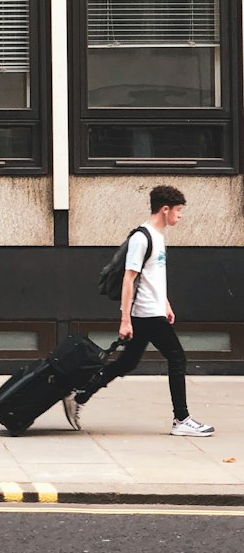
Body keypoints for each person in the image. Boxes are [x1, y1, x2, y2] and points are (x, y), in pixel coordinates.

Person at [63, 185, 214, 436]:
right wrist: (125, 319)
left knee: (127, 363)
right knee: (177, 358)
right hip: (145, 313)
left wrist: (164, 302)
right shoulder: (141, 238)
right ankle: (182, 419)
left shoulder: (158, 236)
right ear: (165, 210)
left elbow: (153, 276)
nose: (180, 215)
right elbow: (128, 279)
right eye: (178, 210)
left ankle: (79, 396)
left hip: (152, 310)